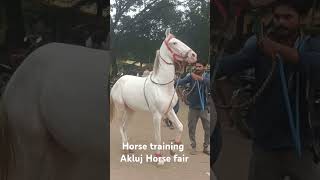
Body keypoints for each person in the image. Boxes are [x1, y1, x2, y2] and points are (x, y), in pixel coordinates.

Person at [213, 0, 320, 179]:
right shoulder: (259, 46)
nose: (280, 22)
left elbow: (314, 64)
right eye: (277, 17)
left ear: (300, 19)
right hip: (266, 145)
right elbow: (226, 66)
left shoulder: (310, 44)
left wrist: (278, 50)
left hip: (301, 145)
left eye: (287, 17)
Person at [178, 61, 210, 155]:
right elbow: (181, 82)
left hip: (204, 108)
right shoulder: (191, 76)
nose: (197, 68)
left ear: (204, 68)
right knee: (191, 128)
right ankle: (193, 146)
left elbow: (209, 83)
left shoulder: (207, 76)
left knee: (208, 128)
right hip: (193, 108)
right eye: (196, 66)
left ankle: (206, 147)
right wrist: (173, 80)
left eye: (199, 66)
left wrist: (199, 78)